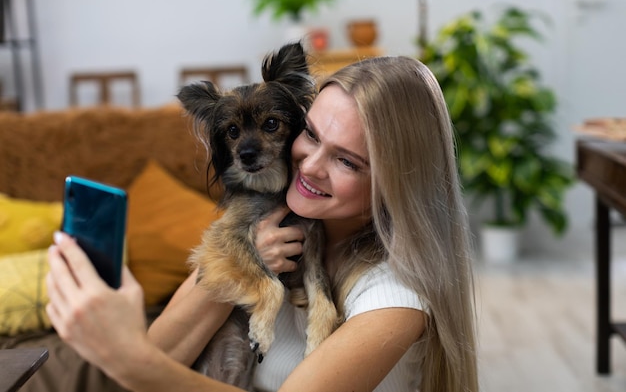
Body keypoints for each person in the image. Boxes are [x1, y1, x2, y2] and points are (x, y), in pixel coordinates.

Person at [46, 55, 478, 392]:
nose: (309, 165)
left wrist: (126, 357)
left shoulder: (394, 296)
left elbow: (146, 365)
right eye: (309, 134)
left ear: (396, 184)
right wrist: (250, 263)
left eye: (346, 161)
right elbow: (164, 352)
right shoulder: (275, 223)